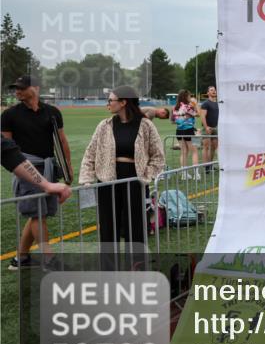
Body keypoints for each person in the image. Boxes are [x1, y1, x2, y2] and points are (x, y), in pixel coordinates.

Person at [79, 86, 165, 270]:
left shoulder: (146, 125)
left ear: (124, 102)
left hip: (135, 182)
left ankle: (137, 266)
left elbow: (158, 156)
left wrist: (146, 177)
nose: (107, 104)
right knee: (109, 226)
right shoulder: (104, 125)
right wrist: (87, 179)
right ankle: (109, 269)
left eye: (111, 100)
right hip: (107, 181)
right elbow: (90, 153)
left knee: (136, 225)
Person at [2, 75, 72, 271]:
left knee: (38, 214)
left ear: (36, 88)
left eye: (21, 87)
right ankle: (49, 261)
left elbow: (62, 141)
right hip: (25, 169)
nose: (17, 91)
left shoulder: (52, 112)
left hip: (48, 167)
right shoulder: (9, 115)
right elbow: (7, 147)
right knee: (37, 214)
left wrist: (68, 167)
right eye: (15, 88)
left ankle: (21, 259)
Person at [171, 90, 200, 177]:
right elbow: (198, 114)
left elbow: (173, 121)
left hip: (179, 131)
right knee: (194, 151)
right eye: (189, 96)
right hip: (189, 130)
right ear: (185, 97)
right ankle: (196, 174)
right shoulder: (188, 107)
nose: (190, 98)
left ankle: (184, 173)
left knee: (183, 152)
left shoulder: (175, 107)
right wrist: (196, 104)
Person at [199, 86, 219, 172]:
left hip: (215, 128)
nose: (214, 91)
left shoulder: (218, 103)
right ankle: (206, 167)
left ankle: (210, 165)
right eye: (211, 90)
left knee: (214, 147)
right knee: (206, 147)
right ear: (208, 93)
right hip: (207, 128)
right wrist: (206, 126)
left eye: (214, 90)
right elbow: (202, 116)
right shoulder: (205, 103)